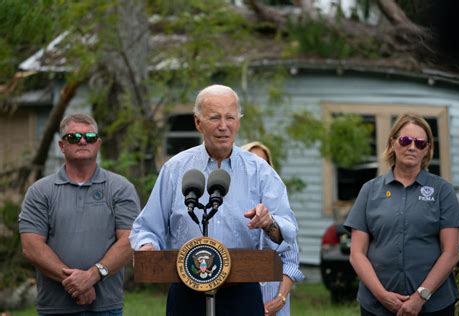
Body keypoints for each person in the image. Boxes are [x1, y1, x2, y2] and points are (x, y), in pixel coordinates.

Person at [129, 84, 298, 315]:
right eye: (214, 118)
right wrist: (147, 247)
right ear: (198, 122)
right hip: (186, 292)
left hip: (242, 292)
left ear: (238, 121)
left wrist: (269, 223)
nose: (223, 126)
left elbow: (287, 232)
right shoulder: (175, 169)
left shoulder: (260, 171)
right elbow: (147, 227)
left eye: (230, 117)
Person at [19, 113, 141, 315]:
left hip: (105, 307)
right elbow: (31, 246)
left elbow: (129, 240)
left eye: (90, 137)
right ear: (62, 145)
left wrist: (93, 275)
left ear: (98, 143)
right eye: (74, 137)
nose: (83, 141)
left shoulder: (120, 188)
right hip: (55, 307)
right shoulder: (40, 191)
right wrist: (75, 282)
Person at [344, 113, 459, 316]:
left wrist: (420, 297)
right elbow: (357, 254)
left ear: (427, 149)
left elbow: (451, 252)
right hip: (377, 307)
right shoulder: (369, 190)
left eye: (420, 143)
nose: (412, 147)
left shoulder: (443, 191)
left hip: (433, 306)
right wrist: (382, 295)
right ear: (392, 143)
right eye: (405, 140)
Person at [241, 141, 305, 316]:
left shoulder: (278, 210)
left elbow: (291, 262)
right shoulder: (233, 211)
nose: (259, 167)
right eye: (253, 161)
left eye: (264, 163)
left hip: (274, 304)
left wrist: (279, 299)